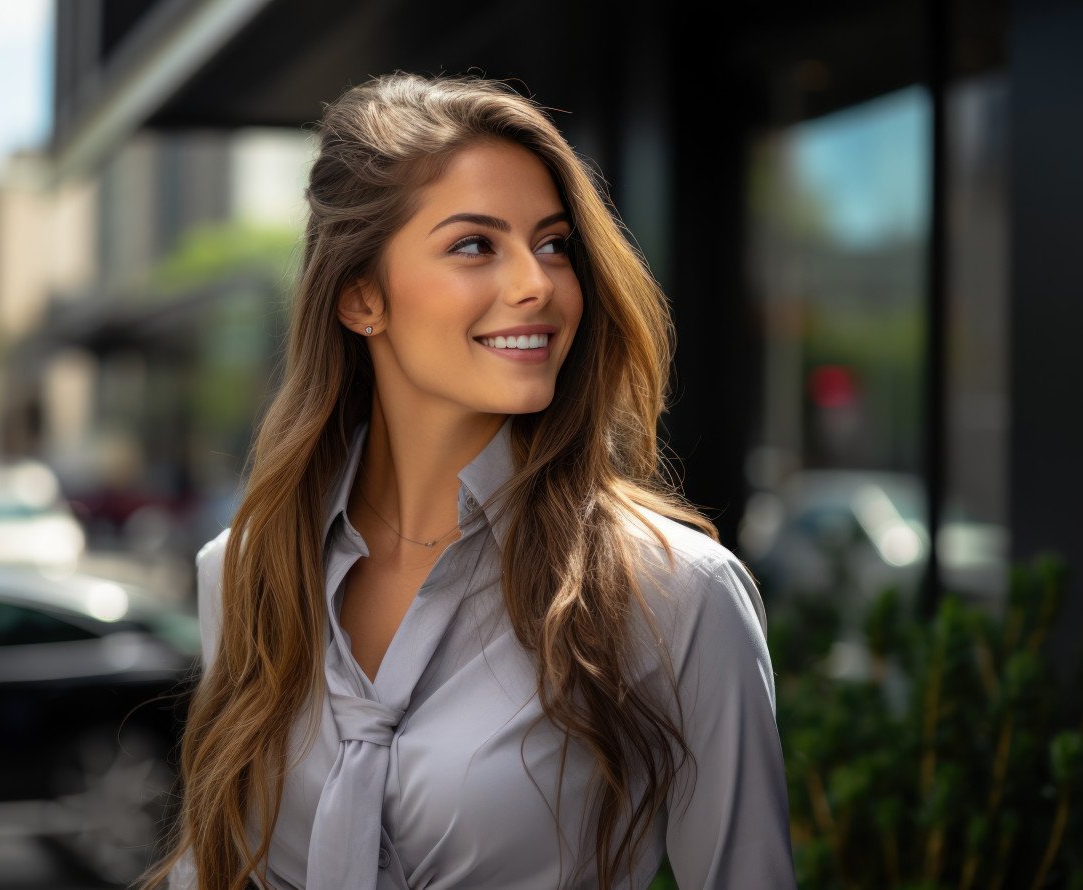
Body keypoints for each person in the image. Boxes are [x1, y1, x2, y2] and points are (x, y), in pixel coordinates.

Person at [148, 73, 795, 890]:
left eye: (554, 244)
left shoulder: (674, 595)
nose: (538, 283)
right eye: (475, 245)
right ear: (361, 297)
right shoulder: (246, 572)